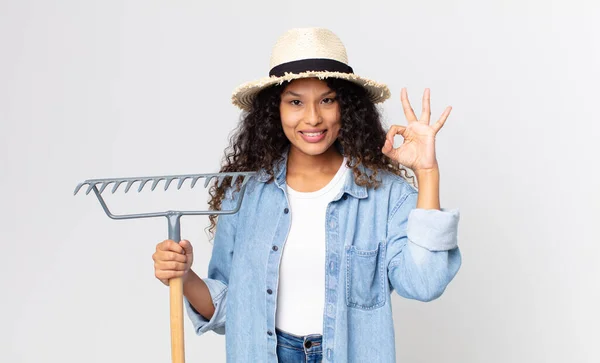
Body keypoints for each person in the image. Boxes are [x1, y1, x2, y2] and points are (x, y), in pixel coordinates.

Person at [152, 27, 461, 363]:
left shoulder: (386, 195)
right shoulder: (246, 194)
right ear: (275, 111)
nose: (313, 118)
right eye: (296, 102)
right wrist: (184, 275)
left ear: (347, 107)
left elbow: (425, 283)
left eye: (327, 100)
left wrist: (427, 174)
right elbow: (228, 308)